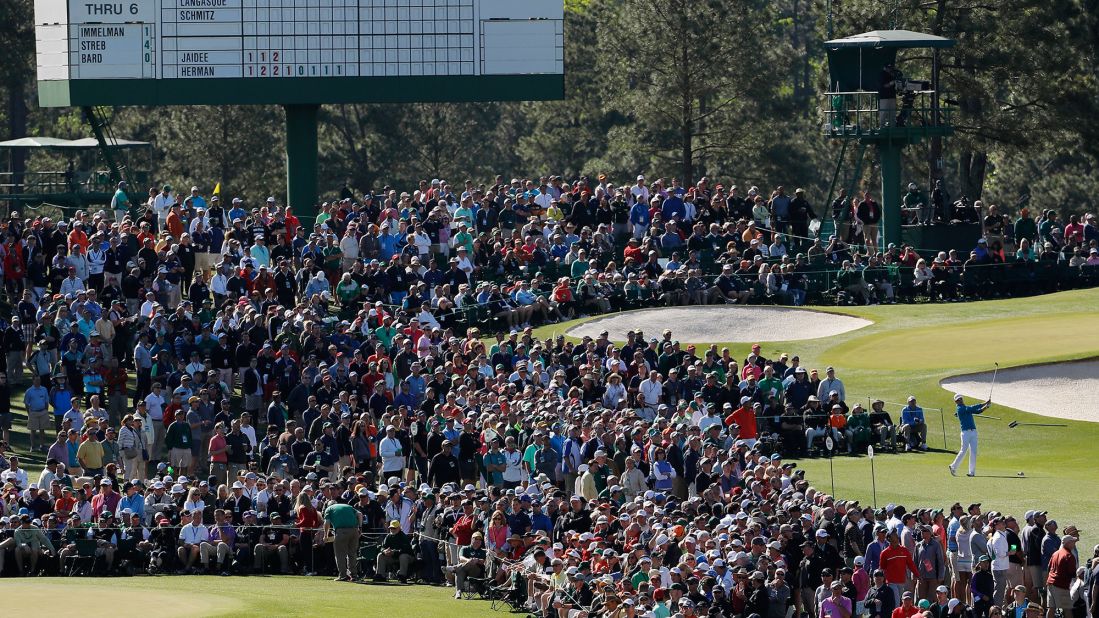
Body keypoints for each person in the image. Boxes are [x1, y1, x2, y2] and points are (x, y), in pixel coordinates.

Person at [948, 393, 991, 477]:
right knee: (963, 450)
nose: (960, 400)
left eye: (960, 399)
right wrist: (985, 404)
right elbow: (974, 409)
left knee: (973, 452)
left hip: (973, 432)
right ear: (955, 402)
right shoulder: (960, 409)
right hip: (965, 433)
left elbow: (976, 410)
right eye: (958, 400)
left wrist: (986, 405)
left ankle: (971, 472)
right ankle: (953, 466)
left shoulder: (965, 408)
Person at [323, 499, 363, 582]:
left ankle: (343, 575)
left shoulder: (329, 509)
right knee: (352, 554)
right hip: (354, 530)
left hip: (341, 531)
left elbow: (327, 522)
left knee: (340, 554)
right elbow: (360, 514)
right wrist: (360, 527)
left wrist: (325, 535)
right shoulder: (348, 506)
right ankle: (354, 575)